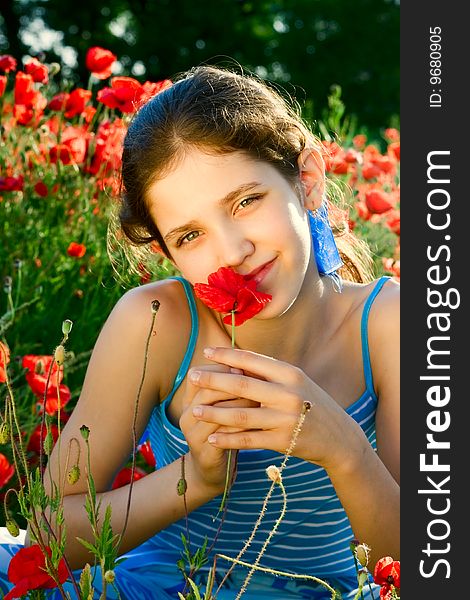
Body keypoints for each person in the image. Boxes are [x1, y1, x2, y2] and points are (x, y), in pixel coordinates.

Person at [0, 65, 399, 599]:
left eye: (245, 202)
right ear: (166, 253)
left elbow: (426, 564)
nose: (233, 253)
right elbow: (48, 537)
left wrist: (345, 450)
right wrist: (195, 479)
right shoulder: (157, 325)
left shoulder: (387, 326)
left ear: (307, 181)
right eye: (190, 235)